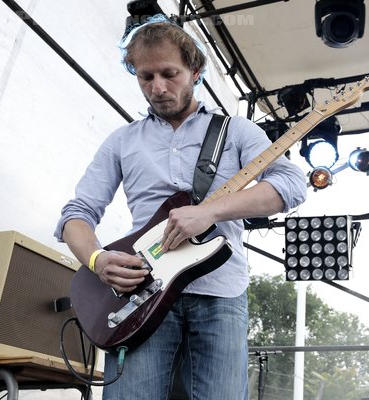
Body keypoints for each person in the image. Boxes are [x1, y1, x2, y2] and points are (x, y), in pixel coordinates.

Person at [54, 16, 307, 400]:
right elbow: (76, 214)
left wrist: (211, 212)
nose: (157, 88)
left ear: (196, 70)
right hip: (140, 297)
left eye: (169, 74)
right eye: (145, 77)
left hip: (220, 294)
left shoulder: (236, 131)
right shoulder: (121, 141)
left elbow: (291, 184)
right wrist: (97, 261)